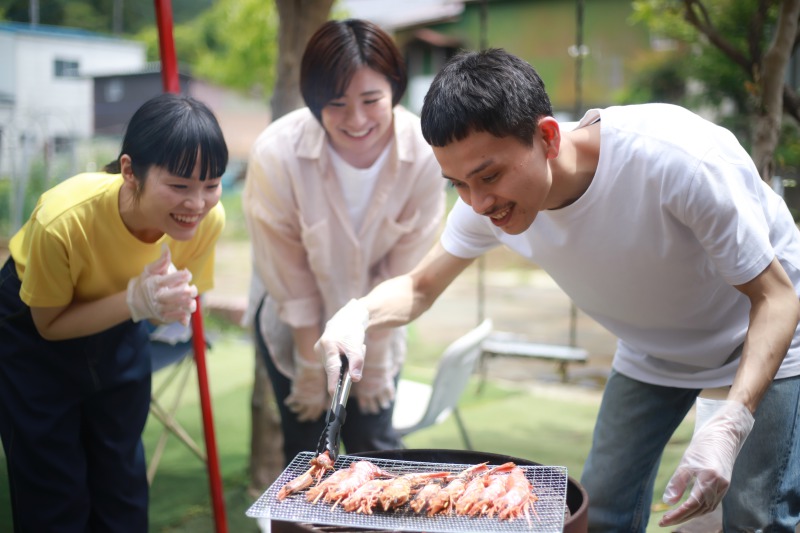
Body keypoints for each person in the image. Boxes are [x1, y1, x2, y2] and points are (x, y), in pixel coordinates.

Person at [315, 48, 800, 531]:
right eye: (458, 184)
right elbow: (419, 287)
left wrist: (731, 421)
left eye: (489, 176)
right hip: (651, 351)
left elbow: (776, 299)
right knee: (601, 509)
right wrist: (357, 315)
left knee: (755, 517)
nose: (478, 203)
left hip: (763, 336)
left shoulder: (678, 161)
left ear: (547, 137)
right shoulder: (488, 203)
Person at [0, 92, 228, 531]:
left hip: (122, 326)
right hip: (33, 334)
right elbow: (49, 325)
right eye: (180, 185)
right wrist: (134, 300)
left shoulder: (205, 222)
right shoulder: (64, 218)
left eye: (211, 184)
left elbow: (165, 310)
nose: (197, 203)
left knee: (121, 486)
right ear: (129, 171)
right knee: (53, 495)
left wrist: (161, 306)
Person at [242, 18, 445, 467]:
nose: (355, 120)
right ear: (314, 103)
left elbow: (404, 274)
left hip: (379, 328)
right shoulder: (277, 153)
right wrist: (311, 368)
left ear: (395, 87)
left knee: (377, 451)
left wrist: (374, 364)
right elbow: (288, 275)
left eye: (371, 100)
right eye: (336, 104)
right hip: (293, 321)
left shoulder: (427, 154)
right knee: (308, 452)